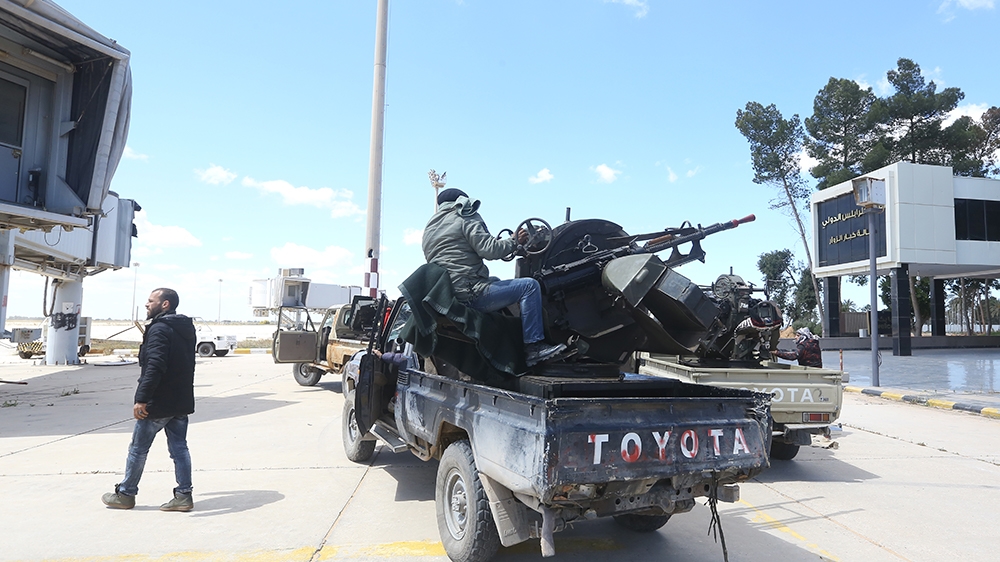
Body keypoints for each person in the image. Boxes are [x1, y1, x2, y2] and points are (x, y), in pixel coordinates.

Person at [422, 188, 565, 366]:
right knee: (529, 286)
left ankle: (507, 344)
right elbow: (489, 250)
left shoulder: (431, 227)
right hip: (470, 293)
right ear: (460, 200)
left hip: (449, 295)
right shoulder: (465, 214)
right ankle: (534, 347)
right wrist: (514, 241)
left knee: (496, 281)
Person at [102, 288, 198, 511]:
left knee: (138, 449)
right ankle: (184, 495)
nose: (146, 304)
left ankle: (125, 494)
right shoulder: (185, 328)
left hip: (159, 403)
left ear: (165, 304)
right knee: (180, 449)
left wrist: (142, 398)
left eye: (150, 301)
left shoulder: (159, 329)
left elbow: (154, 366)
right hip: (180, 400)